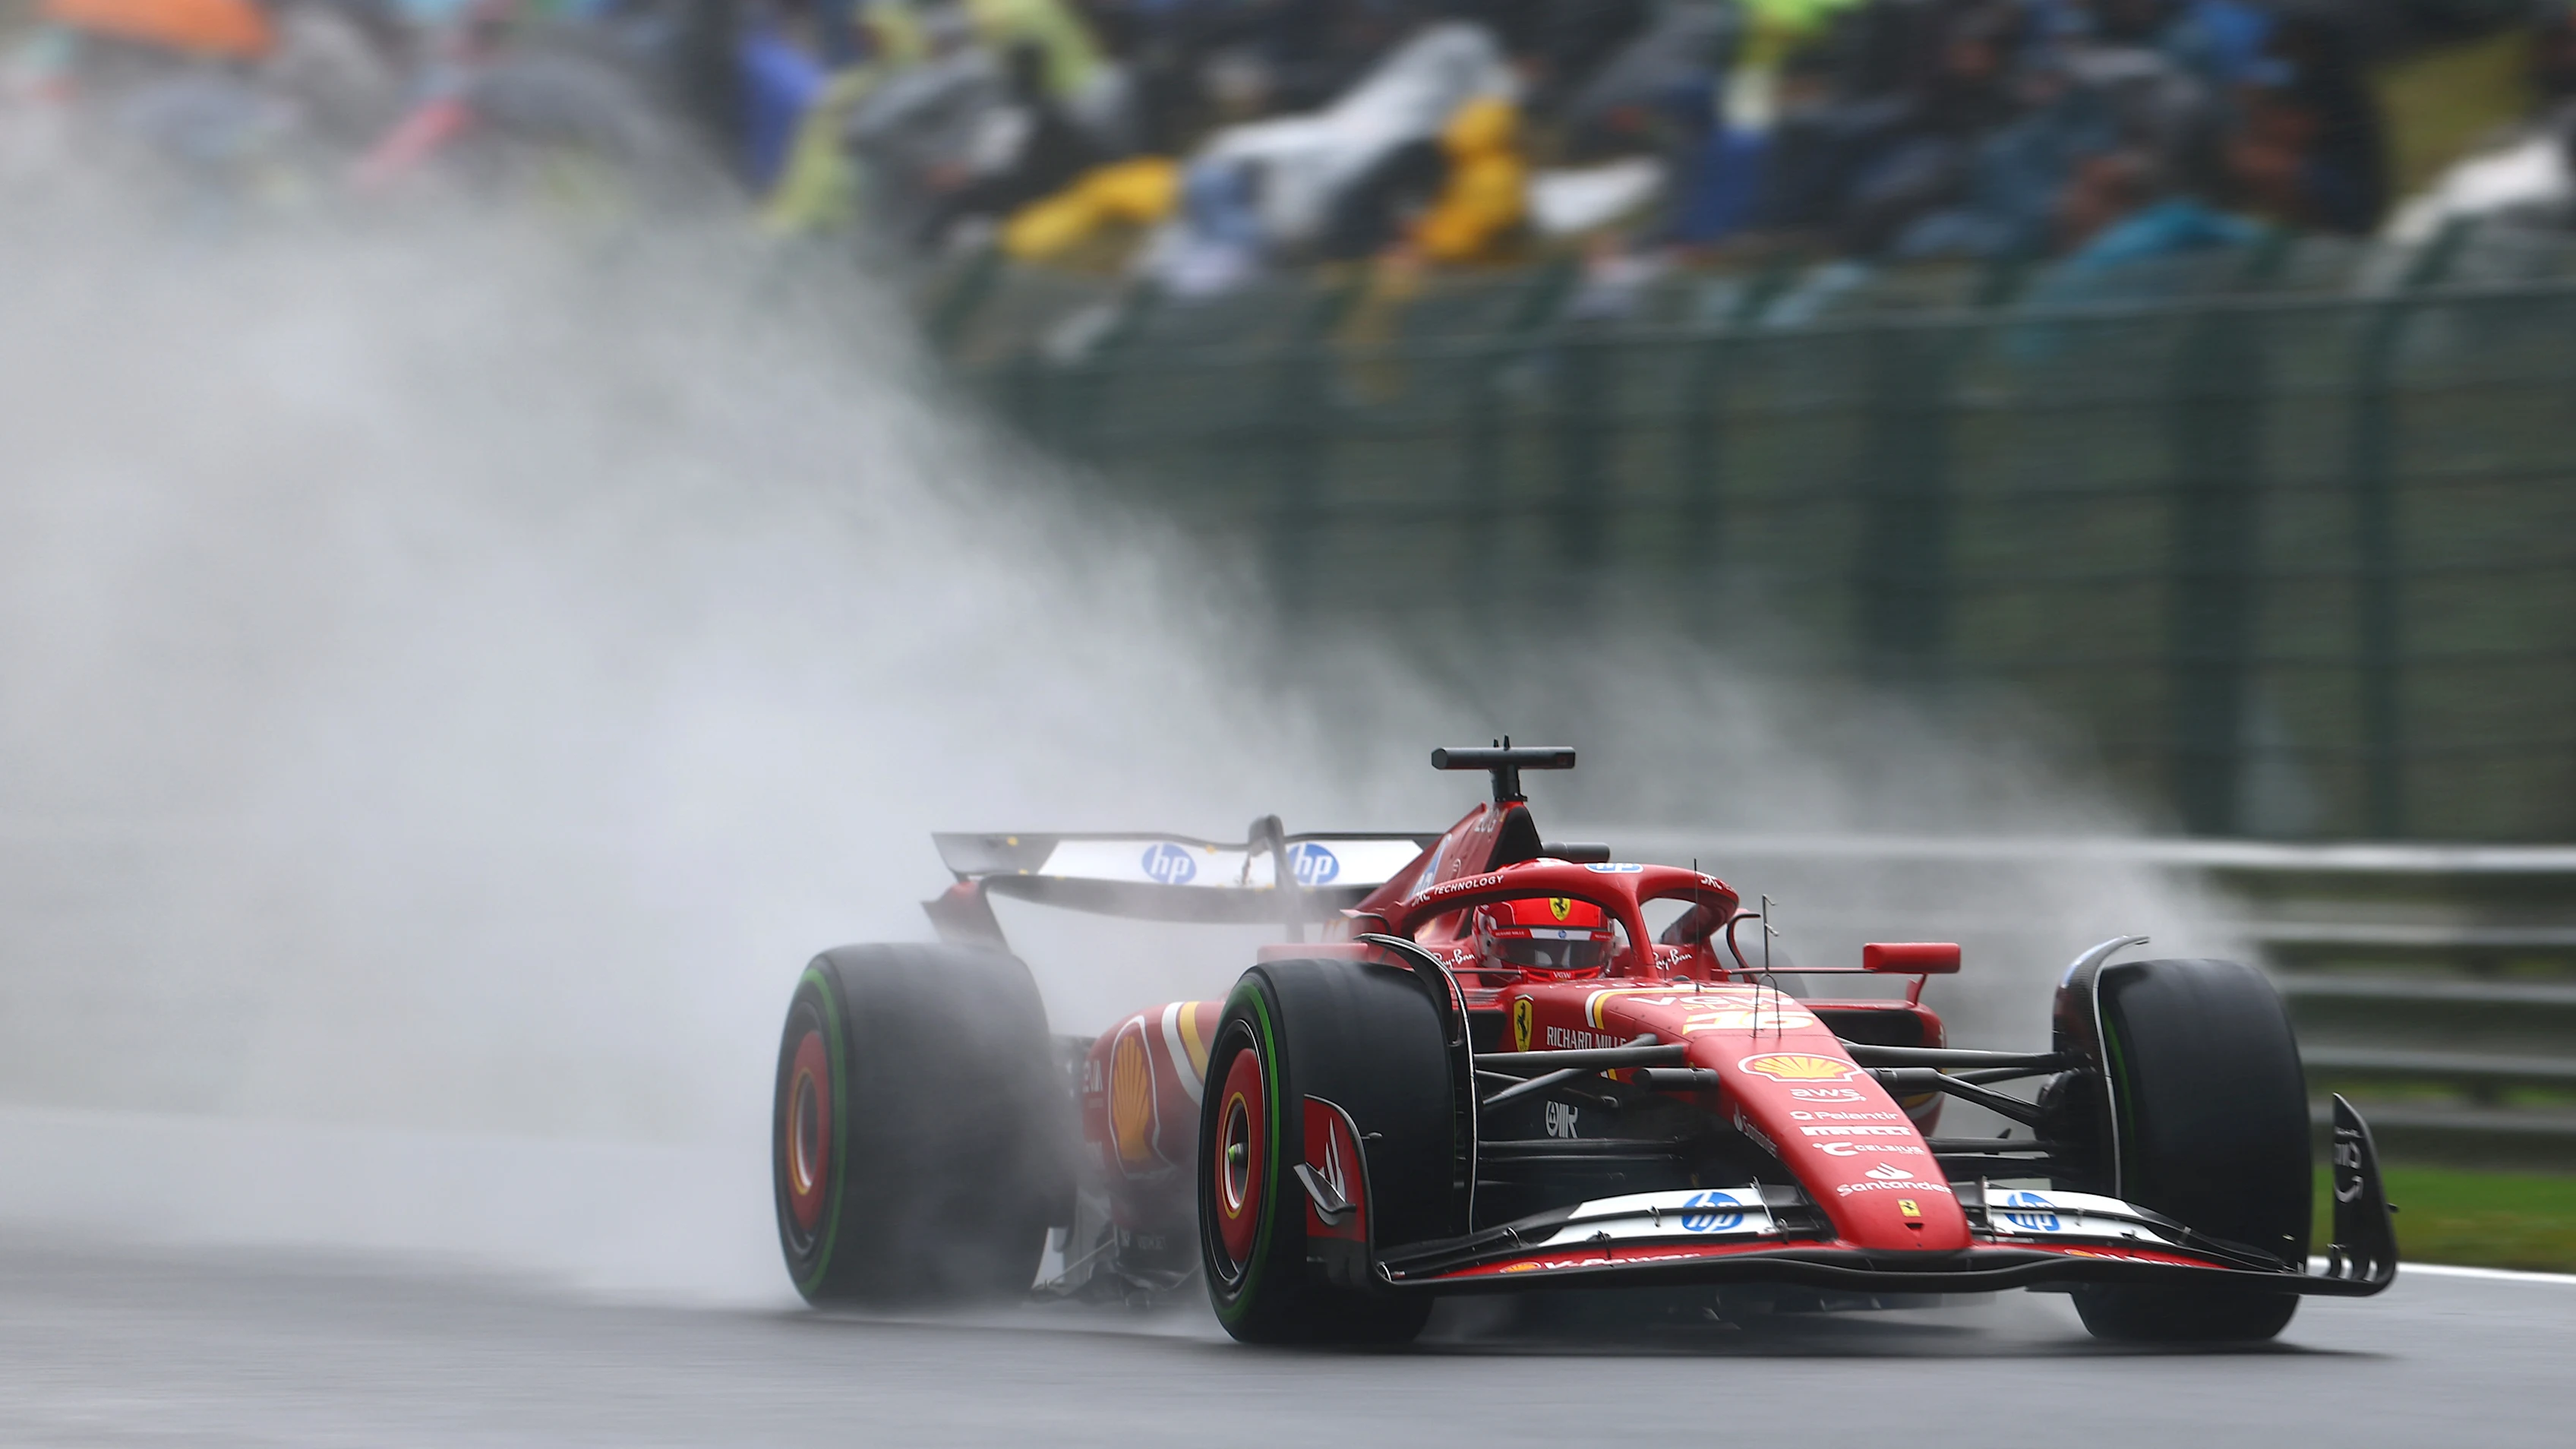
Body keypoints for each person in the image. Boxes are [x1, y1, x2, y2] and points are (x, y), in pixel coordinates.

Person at [1473, 895, 1615, 976]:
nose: (1560, 977)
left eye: (1579, 952)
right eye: (1529, 951)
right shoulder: (1460, 969)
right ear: (1487, 944)